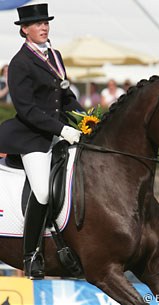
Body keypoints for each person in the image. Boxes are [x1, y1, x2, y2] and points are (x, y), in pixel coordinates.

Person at [0, 3, 85, 279]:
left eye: (46, 23)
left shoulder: (55, 56)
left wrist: (87, 119)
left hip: (56, 134)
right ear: (25, 30)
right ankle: (32, 254)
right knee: (43, 191)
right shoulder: (20, 63)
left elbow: (65, 95)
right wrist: (62, 129)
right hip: (31, 138)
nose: (44, 27)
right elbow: (27, 110)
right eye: (38, 24)